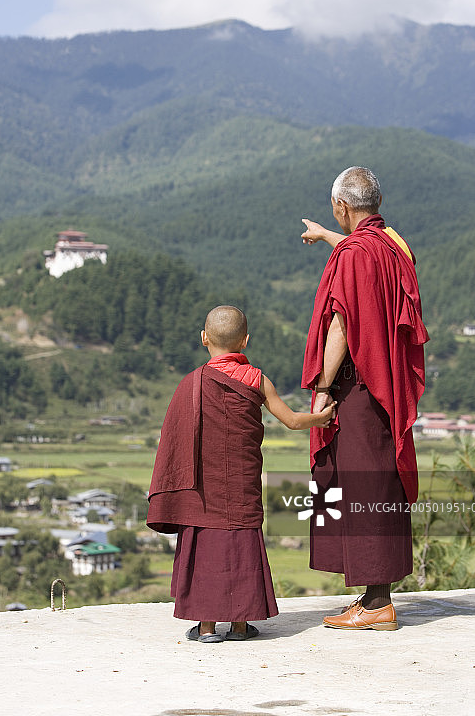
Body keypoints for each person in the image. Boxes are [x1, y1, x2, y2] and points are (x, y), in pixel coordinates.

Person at [147, 305, 336, 643]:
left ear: (204, 338)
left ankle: (206, 627)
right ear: (245, 341)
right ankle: (239, 625)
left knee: (205, 542)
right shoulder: (257, 379)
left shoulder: (192, 383)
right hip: (242, 479)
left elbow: (174, 438)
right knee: (242, 540)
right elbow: (292, 421)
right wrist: (320, 419)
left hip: (203, 486)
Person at [301, 166, 428, 631]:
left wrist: (321, 387)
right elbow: (362, 254)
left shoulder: (359, 252)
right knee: (378, 482)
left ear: (342, 206)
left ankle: (378, 605)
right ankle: (373, 596)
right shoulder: (392, 245)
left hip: (357, 385)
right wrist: (329, 235)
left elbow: (342, 321)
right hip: (386, 385)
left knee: (364, 488)